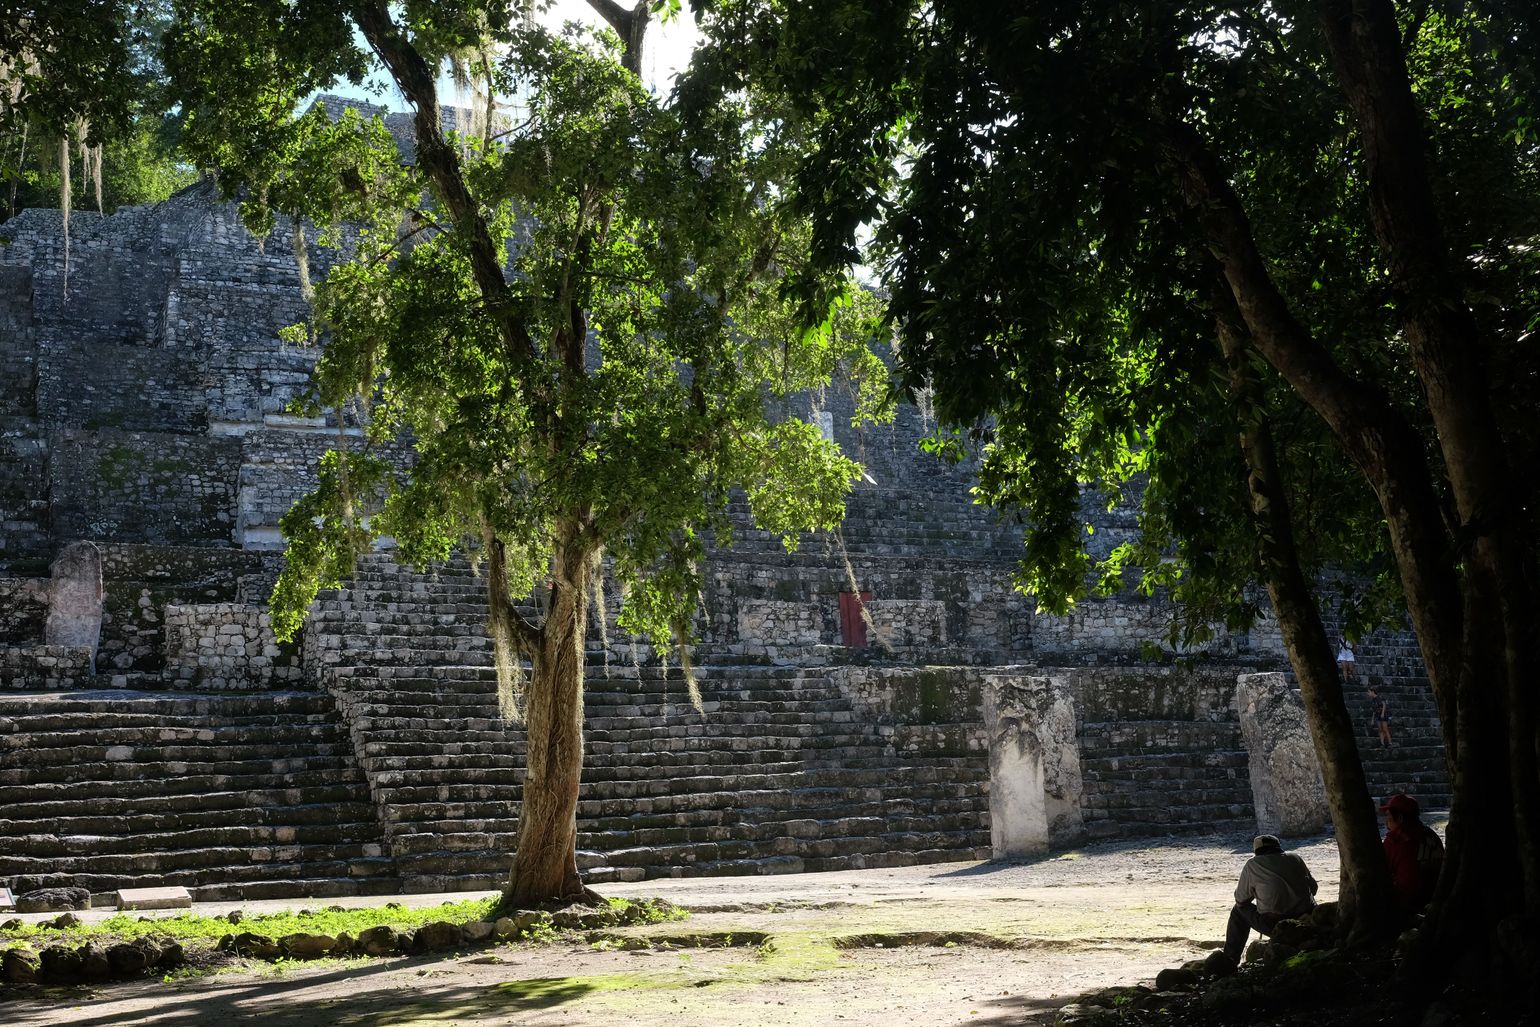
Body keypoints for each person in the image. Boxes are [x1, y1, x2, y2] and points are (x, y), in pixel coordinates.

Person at [1221, 834, 1318, 965]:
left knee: (1238, 911)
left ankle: (1230, 960)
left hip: (1276, 924)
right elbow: (1314, 889)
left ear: (1256, 851)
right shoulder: (1295, 858)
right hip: (1305, 919)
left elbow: (1240, 900)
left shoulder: (1253, 864)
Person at [1381, 793, 1444, 915]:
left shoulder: (1396, 840)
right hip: (1435, 898)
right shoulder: (1431, 835)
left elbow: (1380, 871)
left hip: (1406, 903)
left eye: (1388, 816)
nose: (1386, 822)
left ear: (1400, 818)